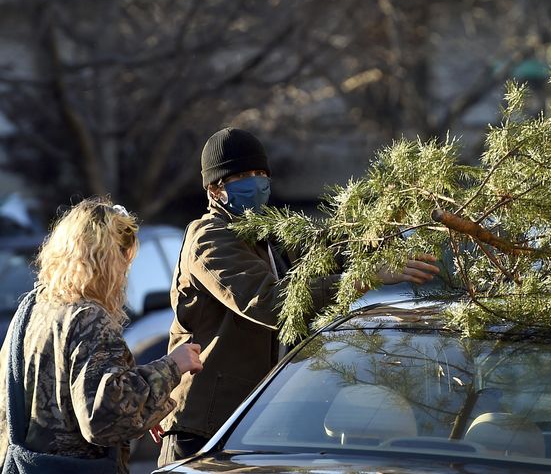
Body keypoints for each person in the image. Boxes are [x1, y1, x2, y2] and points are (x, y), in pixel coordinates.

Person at [158, 127, 439, 466]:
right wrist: (363, 278)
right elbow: (268, 303)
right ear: (215, 189)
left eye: (261, 174)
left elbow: (331, 253)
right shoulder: (210, 238)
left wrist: (390, 220)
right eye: (244, 176)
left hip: (255, 425)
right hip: (205, 429)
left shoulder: (267, 236)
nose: (257, 182)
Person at [0, 197, 203, 473]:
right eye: (123, 258)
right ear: (105, 258)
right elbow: (104, 418)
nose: (124, 272)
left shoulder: (33, 308)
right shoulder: (88, 318)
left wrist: (147, 405)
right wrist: (172, 367)